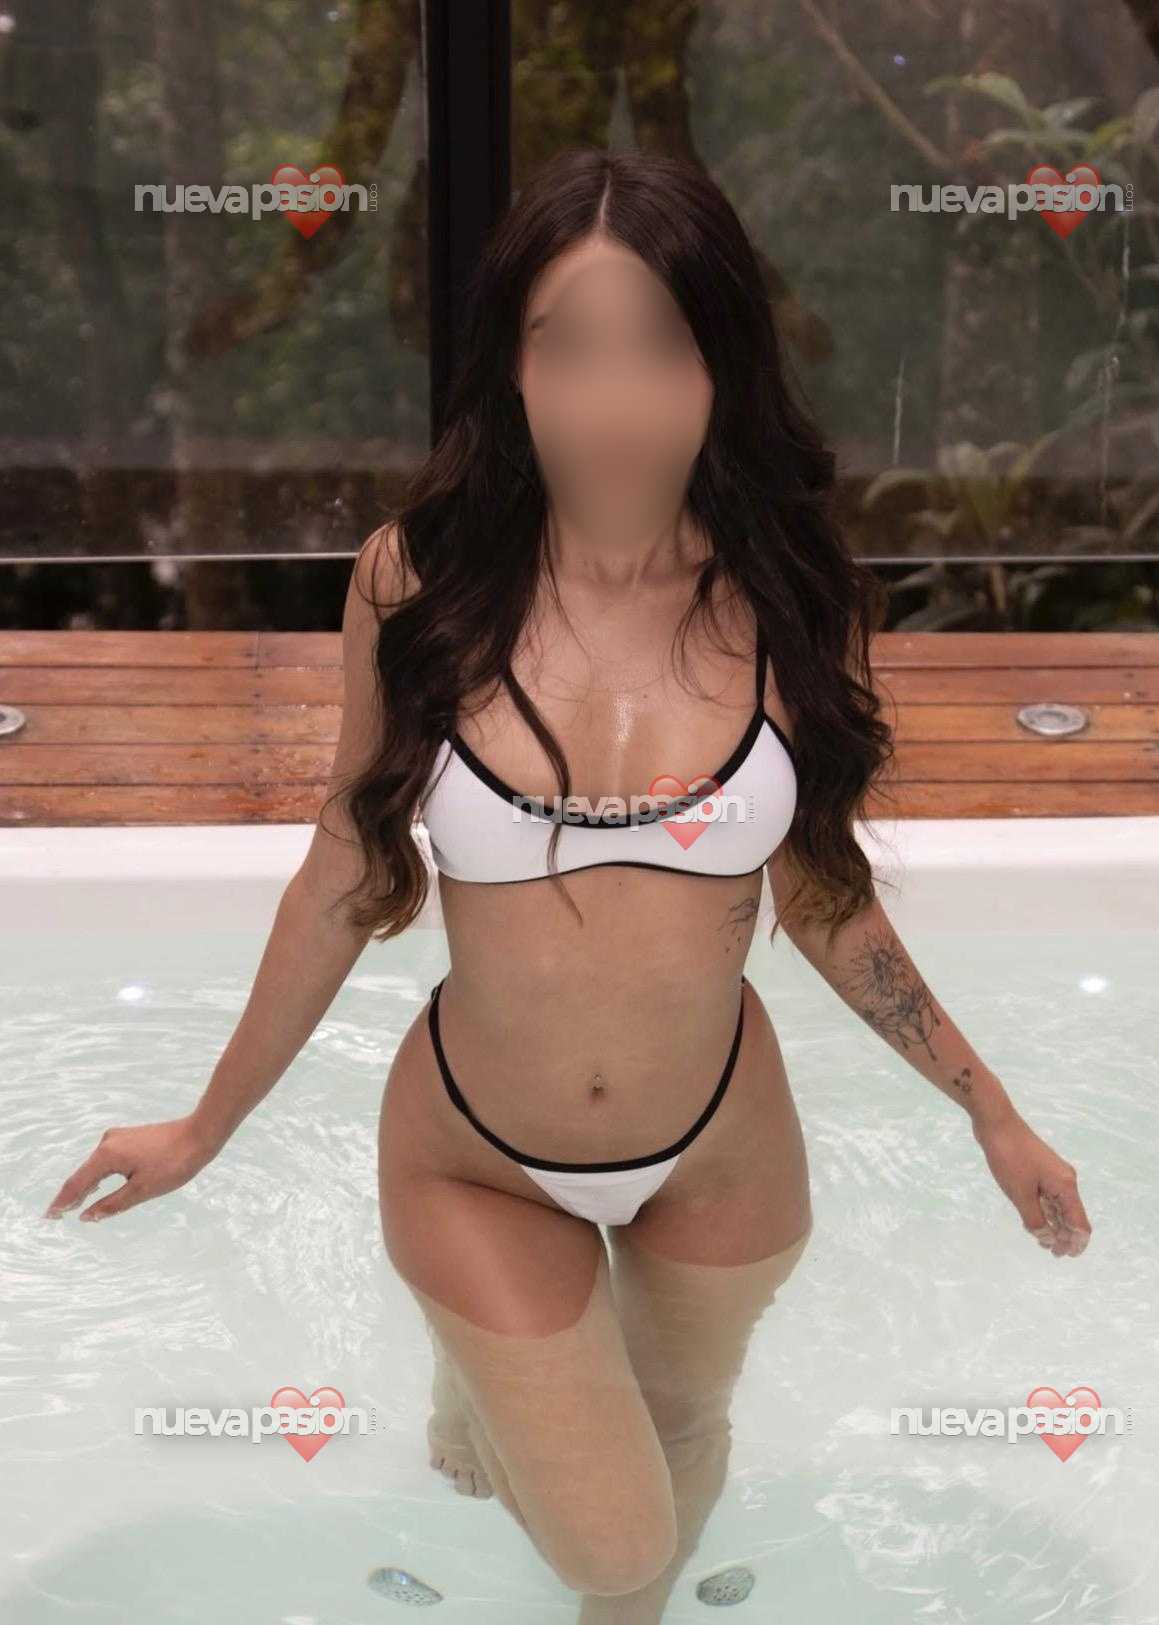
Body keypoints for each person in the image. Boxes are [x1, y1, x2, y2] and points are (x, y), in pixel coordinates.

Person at [43, 148, 1091, 1619]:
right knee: (615, 1537)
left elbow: (823, 898)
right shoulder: (418, 582)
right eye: (570, 347)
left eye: (661, 345)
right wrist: (203, 1128)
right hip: (477, 1150)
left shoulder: (792, 593)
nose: (616, 401)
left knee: (677, 1445)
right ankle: (491, 1374)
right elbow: (346, 865)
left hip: (720, 1147)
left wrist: (989, 1107)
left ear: (723, 365)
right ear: (513, 369)